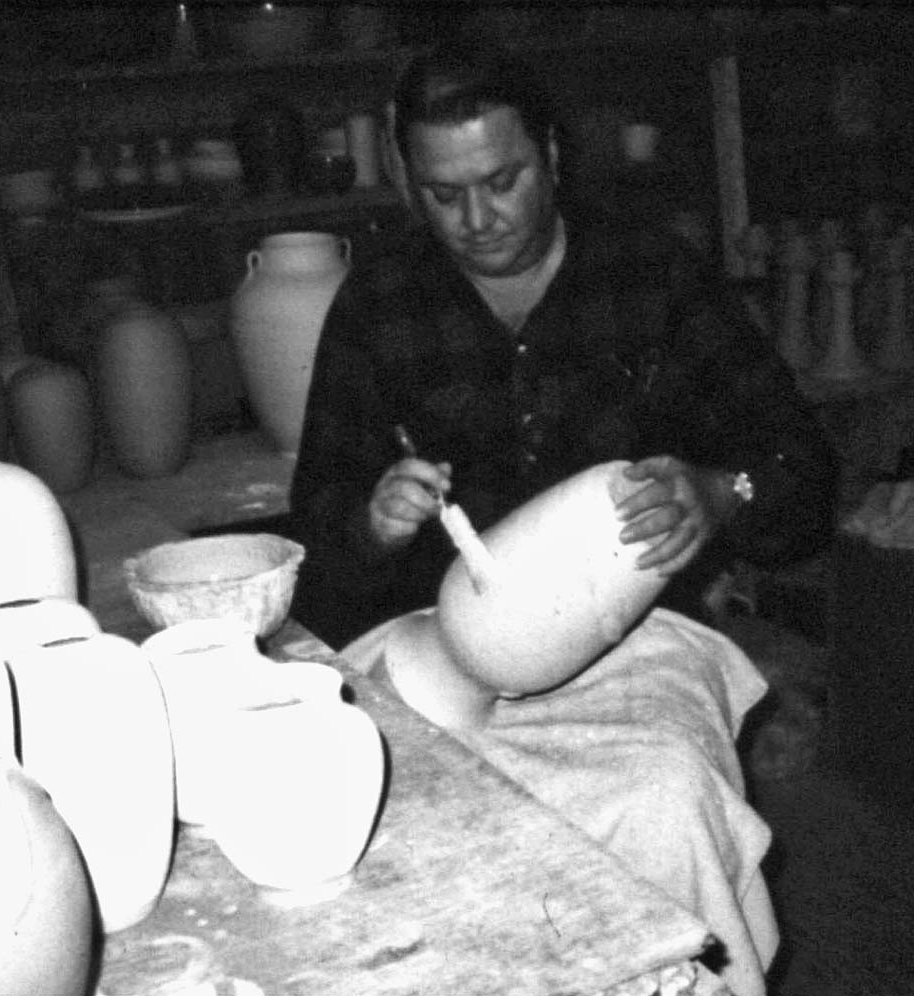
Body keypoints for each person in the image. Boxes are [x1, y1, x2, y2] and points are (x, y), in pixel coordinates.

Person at [286, 38, 838, 996]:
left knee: (665, 802)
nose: (475, 219)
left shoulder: (650, 275)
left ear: (550, 154)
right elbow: (315, 538)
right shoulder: (382, 302)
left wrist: (719, 492)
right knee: (386, 838)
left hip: (630, 640)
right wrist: (371, 524)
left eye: (501, 181)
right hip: (437, 643)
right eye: (442, 193)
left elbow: (801, 474)